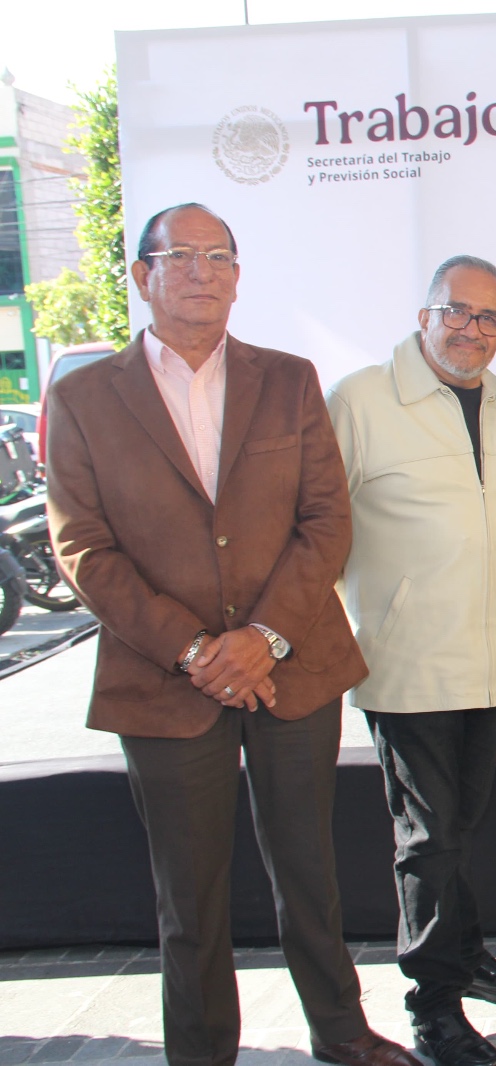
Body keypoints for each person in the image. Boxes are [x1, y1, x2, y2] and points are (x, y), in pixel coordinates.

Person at [45, 204, 417, 1066]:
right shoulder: (84, 397)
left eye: (219, 256)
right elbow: (83, 548)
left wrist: (264, 638)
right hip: (162, 680)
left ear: (239, 278)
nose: (202, 271)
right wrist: (194, 651)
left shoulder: (287, 380)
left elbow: (326, 520)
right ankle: (202, 1052)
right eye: (181, 255)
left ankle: (341, 1033)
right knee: (190, 895)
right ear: (143, 275)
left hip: (293, 667)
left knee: (310, 872)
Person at [327, 256, 496, 1066]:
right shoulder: (360, 399)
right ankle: (433, 1006)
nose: (471, 330)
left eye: (489, 318)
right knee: (428, 836)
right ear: (424, 315)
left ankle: (467, 954)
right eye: (457, 311)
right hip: (406, 657)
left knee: (457, 825)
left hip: (489, 651)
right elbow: (317, 523)